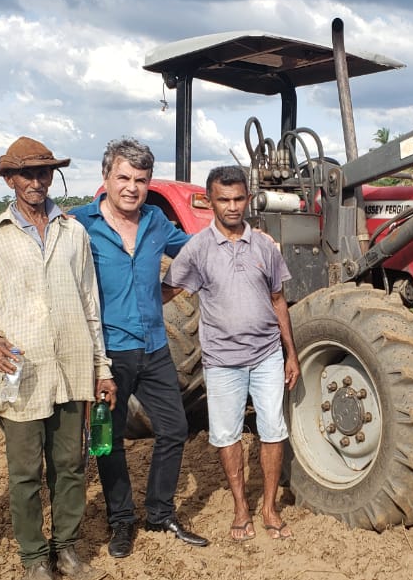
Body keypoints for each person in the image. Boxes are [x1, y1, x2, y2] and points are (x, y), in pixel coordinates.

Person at [0, 137, 116, 580]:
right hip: (21, 374)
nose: (35, 181)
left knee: (69, 465)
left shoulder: (74, 232)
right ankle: (33, 559)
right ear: (9, 180)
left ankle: (66, 549)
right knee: (25, 471)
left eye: (43, 172)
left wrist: (101, 367)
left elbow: (91, 304)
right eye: (25, 174)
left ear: (52, 176)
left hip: (71, 366)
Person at [74, 138, 209, 557]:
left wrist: (245, 236)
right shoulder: (80, 224)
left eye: (141, 179)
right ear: (106, 178)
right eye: (124, 177)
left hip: (154, 347)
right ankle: (120, 521)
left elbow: (197, 248)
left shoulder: (155, 222)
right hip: (108, 354)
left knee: (174, 429)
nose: (132, 187)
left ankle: (159, 511)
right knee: (108, 440)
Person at [163, 165, 300, 541]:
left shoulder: (263, 246)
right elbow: (167, 291)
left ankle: (269, 508)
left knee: (272, 430)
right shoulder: (198, 249)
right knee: (227, 435)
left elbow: (278, 300)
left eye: (239, 198)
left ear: (249, 199)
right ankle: (241, 508)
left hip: (267, 354)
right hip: (222, 360)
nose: (232, 206)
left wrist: (291, 353)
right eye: (224, 200)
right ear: (210, 202)